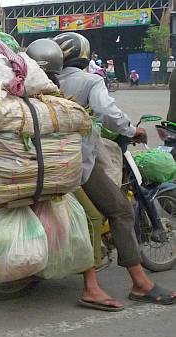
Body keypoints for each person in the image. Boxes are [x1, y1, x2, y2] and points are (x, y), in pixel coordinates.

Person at [53, 32, 176, 309]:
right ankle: (127, 285)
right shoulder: (89, 80)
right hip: (77, 163)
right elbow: (106, 110)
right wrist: (133, 130)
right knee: (118, 210)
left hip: (53, 161)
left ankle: (132, 281)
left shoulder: (48, 80)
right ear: (84, 56)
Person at [27, 38, 120, 311]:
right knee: (91, 217)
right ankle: (91, 288)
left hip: (43, 165)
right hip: (56, 168)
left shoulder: (26, 88)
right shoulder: (50, 91)